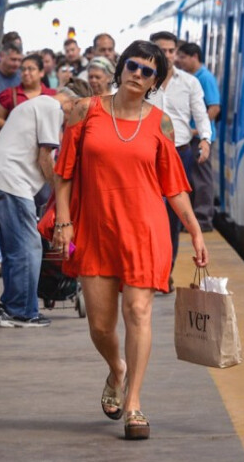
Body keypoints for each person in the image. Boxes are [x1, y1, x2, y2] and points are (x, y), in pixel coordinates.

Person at [53, 40, 208, 441]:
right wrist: (64, 222)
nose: (139, 74)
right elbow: (63, 172)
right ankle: (116, 369)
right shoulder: (85, 111)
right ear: (121, 68)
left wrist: (194, 230)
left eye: (148, 71)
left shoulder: (161, 124)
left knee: (138, 311)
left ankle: (134, 403)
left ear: (155, 81)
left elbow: (173, 186)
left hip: (145, 231)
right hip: (95, 229)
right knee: (101, 325)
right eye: (134, 66)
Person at [0, 79, 93, 328]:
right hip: (12, 182)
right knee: (28, 248)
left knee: (14, 250)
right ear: (73, 103)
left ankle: (10, 305)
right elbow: (45, 157)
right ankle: (21, 311)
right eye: (80, 112)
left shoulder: (40, 105)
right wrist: (60, 193)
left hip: (1, 179)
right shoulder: (50, 107)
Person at [148, 32, 212, 286]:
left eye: (170, 50)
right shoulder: (143, 80)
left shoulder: (190, 82)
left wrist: (205, 139)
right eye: (161, 50)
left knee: (174, 216)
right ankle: (150, 267)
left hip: (179, 154)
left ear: (176, 52)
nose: (166, 55)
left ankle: (166, 272)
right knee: (150, 214)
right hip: (148, 155)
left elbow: (201, 113)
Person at [173, 39, 220, 231]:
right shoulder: (190, 77)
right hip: (191, 137)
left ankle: (203, 220)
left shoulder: (205, 78)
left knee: (202, 179)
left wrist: (198, 131)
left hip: (200, 139)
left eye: (183, 57)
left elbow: (214, 108)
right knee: (192, 178)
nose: (179, 61)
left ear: (195, 57)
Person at [0, 53, 56, 135]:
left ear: (41, 73)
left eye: (31, 69)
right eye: (23, 69)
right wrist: (13, 127)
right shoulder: (9, 94)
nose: (26, 73)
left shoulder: (52, 95)